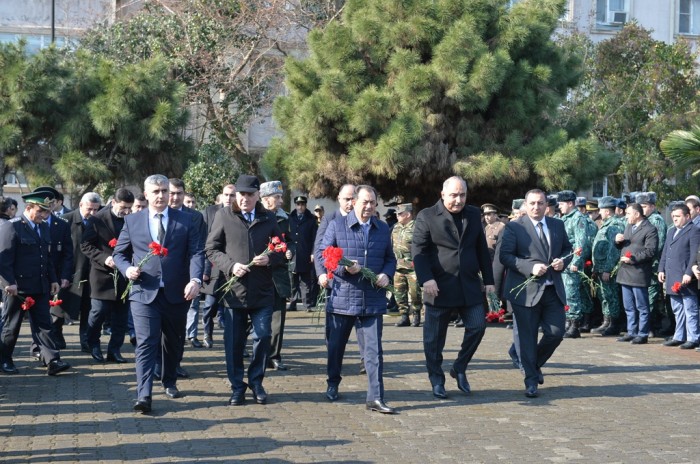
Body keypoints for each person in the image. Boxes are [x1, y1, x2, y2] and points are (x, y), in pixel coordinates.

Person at [113, 174, 204, 414]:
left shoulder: (186, 220)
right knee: (146, 343)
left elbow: (196, 253)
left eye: (165, 191)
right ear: (146, 194)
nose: (162, 195)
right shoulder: (133, 221)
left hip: (177, 293)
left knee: (173, 343)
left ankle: (169, 379)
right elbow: (120, 254)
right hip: (144, 292)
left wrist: (195, 279)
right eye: (156, 191)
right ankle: (144, 395)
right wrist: (127, 269)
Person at [412, 176, 495, 399]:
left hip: (468, 285)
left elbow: (481, 249)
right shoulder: (427, 216)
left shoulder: (472, 214)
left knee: (478, 326)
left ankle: (459, 366)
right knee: (434, 339)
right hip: (438, 286)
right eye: (453, 195)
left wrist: (489, 280)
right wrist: (426, 279)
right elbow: (418, 251)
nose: (458, 200)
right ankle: (436, 380)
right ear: (443, 194)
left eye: (462, 195)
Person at [317, 185, 397, 414]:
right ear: (354, 203)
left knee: (374, 352)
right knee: (336, 347)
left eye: (373, 203)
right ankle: (333, 383)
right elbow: (325, 256)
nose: (369, 207)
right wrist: (344, 270)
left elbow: (390, 259)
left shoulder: (382, 228)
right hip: (343, 299)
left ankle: (375, 397)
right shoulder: (337, 225)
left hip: (372, 300)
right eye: (365, 202)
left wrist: (385, 274)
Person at [205, 175, 283, 406]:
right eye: (241, 194)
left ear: (258, 195)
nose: (245, 198)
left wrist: (269, 259)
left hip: (262, 291)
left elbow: (281, 248)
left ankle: (256, 382)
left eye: (250, 194)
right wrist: (230, 266)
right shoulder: (223, 216)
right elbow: (211, 248)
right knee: (234, 343)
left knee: (263, 335)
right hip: (233, 292)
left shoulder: (268, 218)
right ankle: (237, 386)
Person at [500, 189, 572, 398]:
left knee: (556, 333)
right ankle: (531, 380)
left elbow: (568, 250)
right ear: (525, 204)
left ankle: (532, 364)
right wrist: (529, 268)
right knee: (527, 337)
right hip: (526, 290)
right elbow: (506, 256)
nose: (536, 207)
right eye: (532, 203)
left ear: (546, 205)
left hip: (552, 289)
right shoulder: (514, 227)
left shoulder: (557, 225)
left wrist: (562, 262)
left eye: (540, 203)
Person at [0, 192, 71, 375]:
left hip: (40, 285)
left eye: (46, 212)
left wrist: (53, 280)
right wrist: (9, 282)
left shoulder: (44, 228)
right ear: (29, 208)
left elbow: (47, 258)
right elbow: (4, 259)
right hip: (18, 288)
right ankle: (4, 359)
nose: (43, 216)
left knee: (44, 324)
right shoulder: (12, 227)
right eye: (40, 211)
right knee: (11, 326)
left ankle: (52, 360)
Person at [81, 188, 134, 363]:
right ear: (113, 202)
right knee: (98, 311)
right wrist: (105, 258)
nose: (126, 211)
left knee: (121, 316)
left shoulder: (132, 219)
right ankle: (93, 343)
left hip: (124, 274)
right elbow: (86, 245)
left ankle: (114, 350)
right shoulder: (97, 219)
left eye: (129, 208)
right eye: (123, 207)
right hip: (102, 273)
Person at [30, 186, 73, 351]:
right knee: (37, 312)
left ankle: (54, 337)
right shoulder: (26, 222)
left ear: (55, 203)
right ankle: (37, 345)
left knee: (56, 310)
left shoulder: (61, 224)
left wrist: (65, 275)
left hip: (55, 275)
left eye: (51, 202)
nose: (48, 207)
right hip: (34, 275)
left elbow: (68, 253)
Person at [61, 192, 102, 352]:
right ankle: (56, 335)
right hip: (69, 271)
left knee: (88, 308)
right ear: (80, 205)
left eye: (96, 209)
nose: (93, 213)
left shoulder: (99, 221)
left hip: (91, 272)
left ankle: (85, 340)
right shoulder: (66, 220)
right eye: (89, 209)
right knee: (59, 307)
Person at [259, 181, 293, 370]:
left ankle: (274, 355)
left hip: (278, 275)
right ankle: (256, 353)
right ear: (265, 199)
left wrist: (291, 251)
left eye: (281, 197)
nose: (281, 201)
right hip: (257, 274)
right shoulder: (255, 217)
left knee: (278, 318)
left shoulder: (284, 219)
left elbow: (291, 242)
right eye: (277, 197)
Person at [197, 184, 236, 347]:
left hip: (233, 267)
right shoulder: (210, 212)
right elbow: (205, 243)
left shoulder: (240, 213)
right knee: (210, 306)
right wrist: (204, 269)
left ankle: (232, 340)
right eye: (226, 195)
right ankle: (207, 333)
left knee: (232, 309)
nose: (229, 198)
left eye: (232, 195)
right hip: (212, 266)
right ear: (221, 195)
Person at [614, 203, 658, 345]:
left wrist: (633, 259)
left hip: (639, 272)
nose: (626, 216)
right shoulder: (628, 226)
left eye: (628, 214)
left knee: (642, 306)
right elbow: (626, 244)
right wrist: (617, 242)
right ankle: (631, 331)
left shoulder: (650, 229)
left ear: (637, 214)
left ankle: (643, 333)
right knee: (628, 306)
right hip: (625, 272)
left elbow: (650, 251)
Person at [658, 203, 700, 349]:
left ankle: (693, 337)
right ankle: (679, 336)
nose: (674, 219)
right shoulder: (671, 231)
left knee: (690, 309)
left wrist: (688, 272)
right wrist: (661, 269)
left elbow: (695, 254)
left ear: (687, 216)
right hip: (672, 274)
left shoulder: (693, 230)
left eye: (678, 216)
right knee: (677, 310)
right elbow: (665, 252)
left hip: (685, 276)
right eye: (673, 216)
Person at [557, 190, 596, 338]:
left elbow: (581, 242)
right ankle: (568, 321)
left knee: (572, 293)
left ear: (570, 203)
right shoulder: (566, 218)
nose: (559, 207)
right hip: (564, 261)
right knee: (567, 293)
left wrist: (576, 261)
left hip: (572, 262)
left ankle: (574, 326)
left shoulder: (578, 218)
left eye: (561, 204)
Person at [590, 197, 625, 336]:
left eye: (601, 210)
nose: (599, 212)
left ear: (607, 211)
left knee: (611, 296)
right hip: (600, 267)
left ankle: (614, 324)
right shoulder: (606, 224)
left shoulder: (614, 225)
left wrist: (607, 270)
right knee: (604, 295)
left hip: (607, 268)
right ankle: (607, 321)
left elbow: (613, 250)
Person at [636, 192, 669, 337]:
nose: (642, 209)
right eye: (640, 206)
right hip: (642, 264)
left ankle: (648, 327)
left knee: (649, 298)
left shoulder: (656, 220)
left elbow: (658, 246)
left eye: (644, 206)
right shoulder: (644, 220)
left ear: (652, 206)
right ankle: (645, 326)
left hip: (652, 266)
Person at [392, 203, 422, 327]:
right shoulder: (396, 227)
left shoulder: (417, 227)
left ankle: (416, 314)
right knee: (399, 292)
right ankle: (404, 316)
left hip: (412, 266)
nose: (397, 216)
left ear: (408, 214)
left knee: (415, 293)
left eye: (400, 214)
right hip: (398, 266)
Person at [288, 195, 318, 311]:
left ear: (305, 205)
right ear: (295, 205)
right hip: (293, 254)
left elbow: (315, 238)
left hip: (305, 253)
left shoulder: (311, 219)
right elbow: (287, 237)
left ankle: (307, 304)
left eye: (302, 204)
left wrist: (312, 252)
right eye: (298, 204)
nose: (300, 207)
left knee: (306, 282)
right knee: (292, 281)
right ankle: (292, 303)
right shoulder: (290, 218)